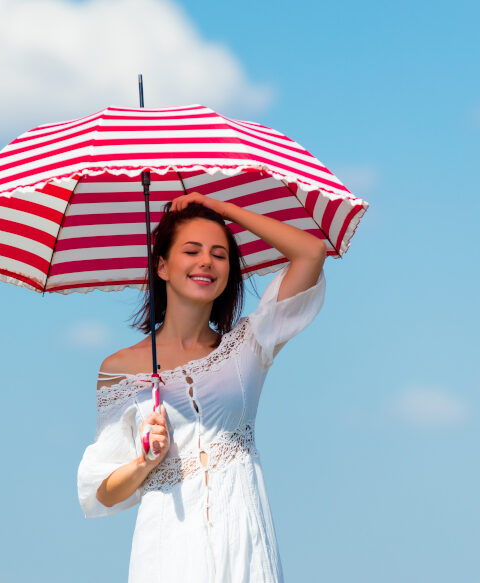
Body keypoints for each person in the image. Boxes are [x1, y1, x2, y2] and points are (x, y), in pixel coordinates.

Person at [77, 191, 327, 583]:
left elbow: (311, 252)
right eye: (191, 251)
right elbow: (103, 491)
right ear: (161, 266)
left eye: (220, 254)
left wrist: (222, 209)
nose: (206, 262)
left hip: (243, 543)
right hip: (167, 550)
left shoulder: (248, 346)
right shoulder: (119, 368)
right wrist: (144, 461)